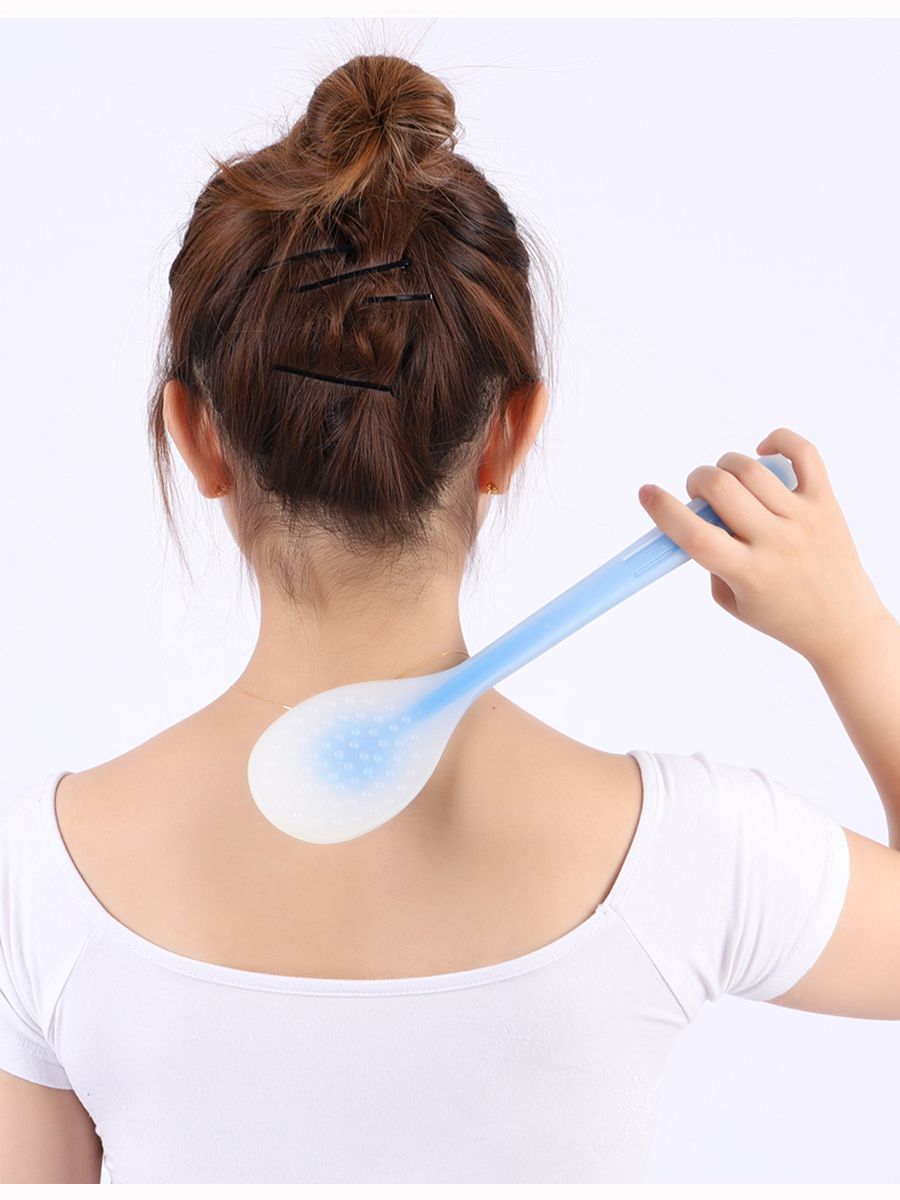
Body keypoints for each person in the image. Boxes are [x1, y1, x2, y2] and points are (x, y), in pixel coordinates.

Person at [1, 52, 899, 1186]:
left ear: (194, 434)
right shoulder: (689, 855)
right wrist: (853, 631)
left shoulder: (40, 881)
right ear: (511, 432)